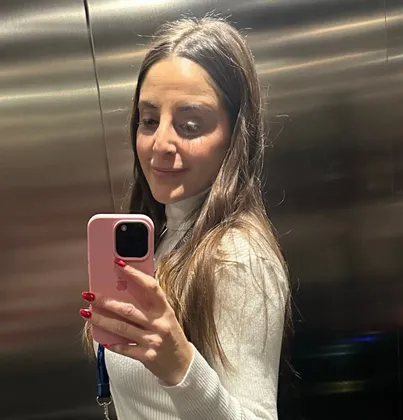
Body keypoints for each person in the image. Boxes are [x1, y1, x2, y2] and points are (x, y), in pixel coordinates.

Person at [80, 15, 290, 420]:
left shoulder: (236, 256)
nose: (160, 143)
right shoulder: (164, 235)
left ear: (234, 137)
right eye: (149, 120)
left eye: (189, 125)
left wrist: (179, 365)